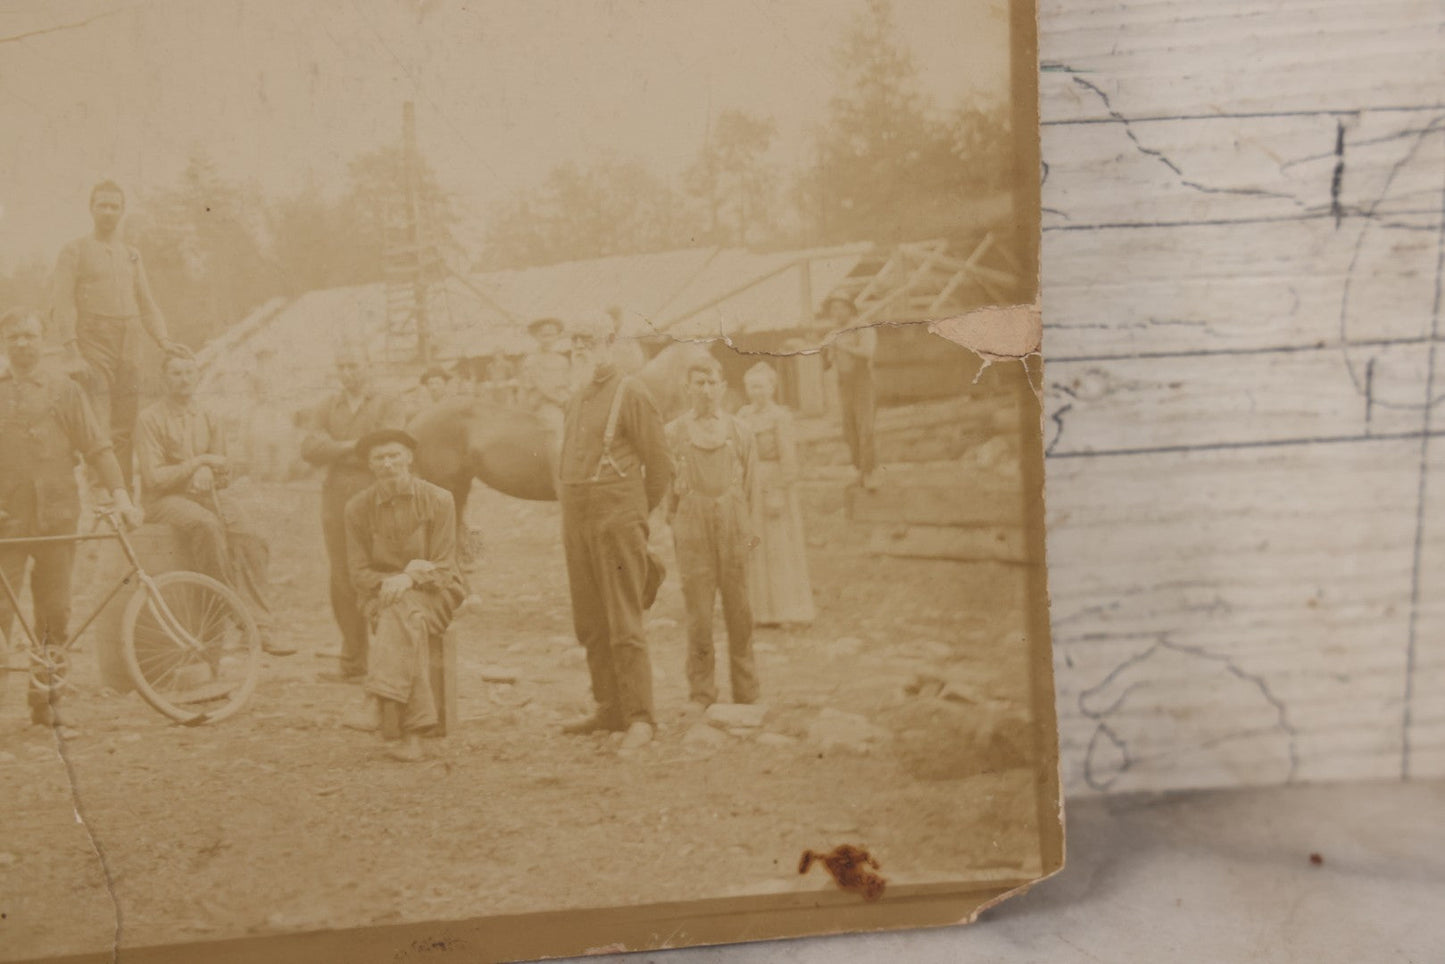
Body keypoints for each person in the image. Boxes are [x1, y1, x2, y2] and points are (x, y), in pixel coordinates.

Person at [0, 307, 144, 732]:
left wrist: (121, 496)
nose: (22, 343)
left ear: (43, 341)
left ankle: (46, 698)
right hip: (6, 523)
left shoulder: (65, 392)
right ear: (4, 343)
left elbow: (98, 447)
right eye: (14, 337)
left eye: (29, 335)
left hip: (58, 520)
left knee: (54, 613)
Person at [557, 314, 673, 752]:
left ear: (610, 344)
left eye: (590, 341)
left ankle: (641, 717)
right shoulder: (576, 397)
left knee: (624, 620)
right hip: (577, 518)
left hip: (616, 515)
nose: (581, 349)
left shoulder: (632, 391)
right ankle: (609, 708)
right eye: (576, 343)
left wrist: (634, 516)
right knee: (589, 619)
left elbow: (660, 465)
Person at [134, 347, 295, 656]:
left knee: (251, 536)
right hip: (164, 501)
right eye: (176, 374)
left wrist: (210, 469)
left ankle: (261, 627)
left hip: (206, 495)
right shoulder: (150, 419)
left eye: (189, 372)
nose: (184, 380)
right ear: (164, 379)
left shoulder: (209, 416)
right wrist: (198, 464)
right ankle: (233, 610)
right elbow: (154, 478)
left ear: (198, 376)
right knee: (206, 525)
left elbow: (224, 469)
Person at [341, 429, 466, 762]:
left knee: (402, 610)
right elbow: (358, 573)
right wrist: (392, 583)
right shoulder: (357, 508)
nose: (387, 463)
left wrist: (409, 578)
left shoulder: (439, 499)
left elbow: (443, 567)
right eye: (379, 458)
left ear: (409, 458)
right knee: (404, 614)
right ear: (370, 465)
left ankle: (376, 701)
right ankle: (412, 736)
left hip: (436, 593)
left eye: (394, 455)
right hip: (381, 595)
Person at [50, 181, 181, 487]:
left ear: (122, 211)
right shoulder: (75, 250)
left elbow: (147, 303)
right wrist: (71, 351)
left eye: (115, 206)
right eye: (102, 205)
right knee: (98, 421)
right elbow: (62, 302)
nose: (109, 212)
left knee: (125, 423)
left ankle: (124, 500)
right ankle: (102, 497)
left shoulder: (132, 254)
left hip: (130, 339)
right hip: (93, 339)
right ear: (91, 208)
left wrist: (163, 341)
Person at [300, 342, 405, 682]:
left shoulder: (389, 401)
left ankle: (392, 660)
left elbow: (389, 445)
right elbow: (310, 448)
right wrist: (355, 446)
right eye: (342, 367)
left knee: (383, 570)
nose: (347, 373)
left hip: (379, 496)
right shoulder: (327, 405)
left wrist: (338, 449)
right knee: (343, 576)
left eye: (354, 366)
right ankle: (353, 661)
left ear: (369, 364)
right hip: (337, 499)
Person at [664, 357, 759, 708]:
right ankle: (702, 693)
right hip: (692, 531)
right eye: (698, 383)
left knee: (740, 612)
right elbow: (666, 492)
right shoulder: (672, 433)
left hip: (734, 526)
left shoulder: (740, 431)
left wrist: (744, 531)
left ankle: (747, 693)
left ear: (722, 387)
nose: (706, 390)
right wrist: (680, 525)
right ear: (687, 389)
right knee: (699, 617)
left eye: (712, 382)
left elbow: (750, 488)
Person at [736, 361, 815, 626]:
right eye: (751, 387)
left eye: (760, 386)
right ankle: (759, 612)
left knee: (778, 546)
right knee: (754, 545)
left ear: (772, 388)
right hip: (750, 485)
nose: (756, 392)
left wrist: (779, 491)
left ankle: (787, 610)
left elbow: (788, 459)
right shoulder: (743, 416)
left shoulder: (780, 417)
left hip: (773, 483)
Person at [821, 294, 879, 490]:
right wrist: (826, 347)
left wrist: (842, 345)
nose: (835, 313)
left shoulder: (863, 327)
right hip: (844, 383)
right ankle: (859, 472)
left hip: (862, 382)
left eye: (839, 308)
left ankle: (870, 473)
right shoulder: (834, 333)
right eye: (832, 309)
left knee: (866, 428)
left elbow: (867, 352)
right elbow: (828, 364)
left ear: (849, 309)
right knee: (849, 430)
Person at [517, 317, 572, 437]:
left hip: (564, 405)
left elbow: (568, 385)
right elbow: (541, 388)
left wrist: (571, 402)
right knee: (559, 428)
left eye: (552, 335)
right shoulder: (531, 361)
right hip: (543, 406)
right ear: (537, 337)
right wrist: (562, 401)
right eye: (544, 336)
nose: (548, 340)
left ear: (557, 337)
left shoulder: (562, 361)